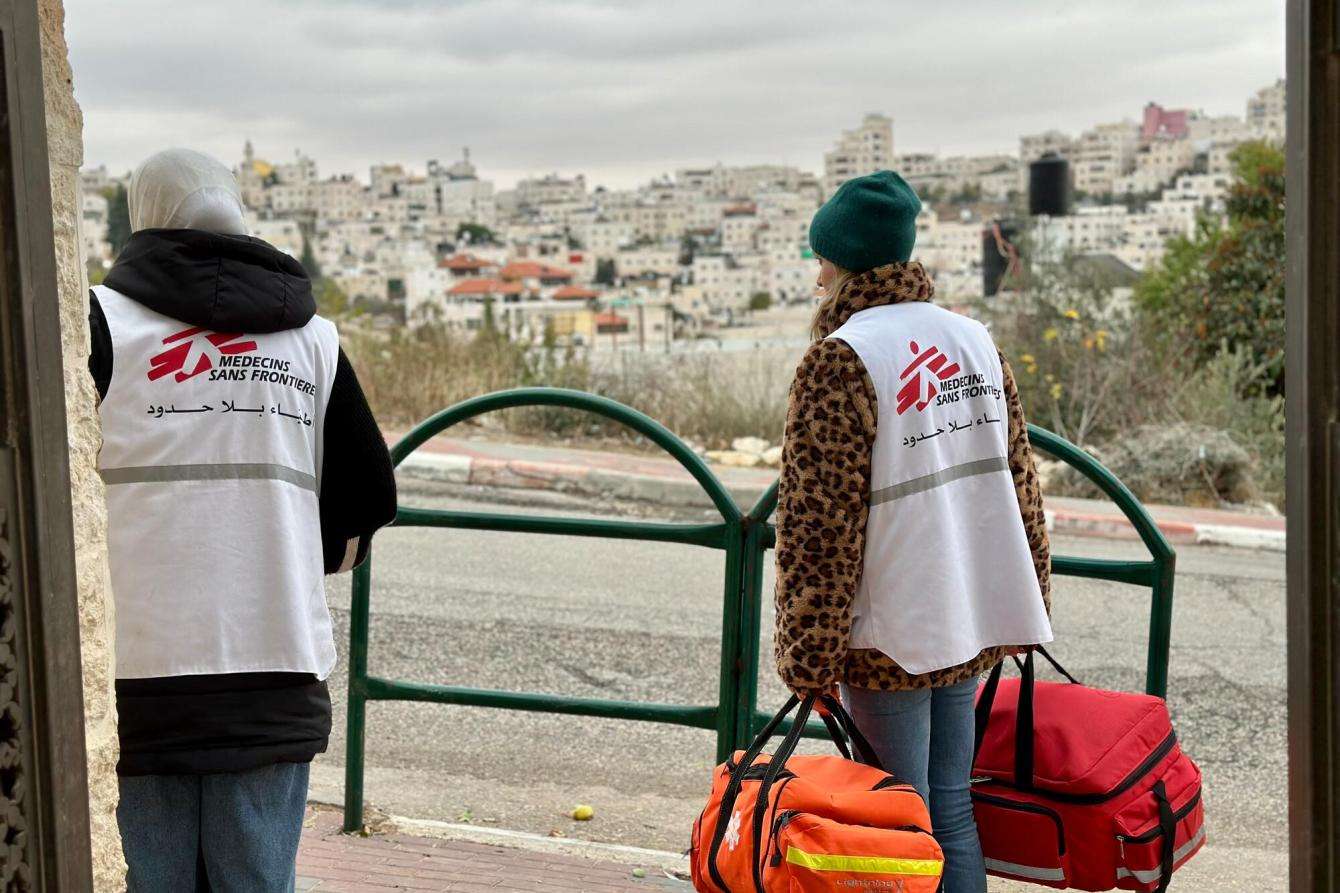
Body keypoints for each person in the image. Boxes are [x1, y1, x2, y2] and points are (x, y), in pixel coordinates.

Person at [88, 148, 398, 892]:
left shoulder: (100, 325)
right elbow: (366, 503)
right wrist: (279, 552)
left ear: (141, 219)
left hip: (139, 674)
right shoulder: (314, 340)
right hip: (273, 670)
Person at [772, 170, 1053, 893]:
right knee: (950, 809)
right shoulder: (972, 338)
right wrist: (1028, 598)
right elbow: (1020, 481)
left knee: (897, 821)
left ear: (840, 262)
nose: (816, 272)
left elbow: (818, 526)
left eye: (821, 258)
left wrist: (808, 655)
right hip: (969, 610)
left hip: (890, 623)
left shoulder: (843, 357)